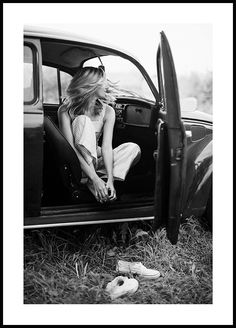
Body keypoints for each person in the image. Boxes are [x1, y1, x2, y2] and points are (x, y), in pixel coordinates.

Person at [58, 66, 141, 203]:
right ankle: (92, 180)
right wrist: (94, 178)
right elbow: (70, 149)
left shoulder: (108, 111)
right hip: (77, 164)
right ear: (91, 86)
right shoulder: (65, 110)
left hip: (97, 159)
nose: (107, 86)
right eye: (103, 82)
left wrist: (110, 179)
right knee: (83, 121)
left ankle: (104, 184)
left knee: (133, 148)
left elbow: (107, 147)